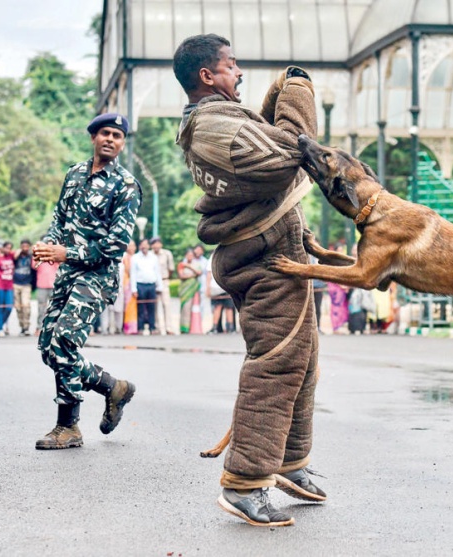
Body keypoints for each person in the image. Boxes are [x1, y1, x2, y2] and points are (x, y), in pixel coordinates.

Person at [175, 33, 328, 527]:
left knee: (301, 362)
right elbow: (286, 157)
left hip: (278, 251)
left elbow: (267, 146)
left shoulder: (225, 119)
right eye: (231, 65)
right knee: (276, 365)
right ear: (207, 76)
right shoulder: (214, 126)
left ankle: (288, 461)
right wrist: (299, 92)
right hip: (264, 259)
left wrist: (278, 92)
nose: (238, 73)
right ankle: (244, 482)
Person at [32, 112, 141, 450]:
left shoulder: (125, 185)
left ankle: (68, 427)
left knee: (64, 343)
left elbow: (114, 246)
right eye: (105, 133)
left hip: (97, 276)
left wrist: (67, 253)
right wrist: (48, 246)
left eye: (117, 136)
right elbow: (60, 218)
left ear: (122, 144)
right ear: (93, 137)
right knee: (49, 349)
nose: (111, 139)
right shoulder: (75, 174)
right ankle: (112, 386)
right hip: (67, 274)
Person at [130, 238, 163, 335]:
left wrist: (159, 286)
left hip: (151, 285)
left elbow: (157, 272)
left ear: (148, 246)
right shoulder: (135, 258)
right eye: (142, 245)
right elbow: (133, 274)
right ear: (140, 246)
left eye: (146, 244)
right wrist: (134, 289)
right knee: (140, 307)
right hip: (140, 285)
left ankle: (152, 327)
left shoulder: (153, 257)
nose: (144, 247)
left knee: (152, 307)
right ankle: (140, 328)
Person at [152, 238, 176, 334]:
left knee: (166, 304)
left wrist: (165, 278)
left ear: (161, 244)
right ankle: (157, 327)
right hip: (153, 283)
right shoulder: (150, 255)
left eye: (158, 243)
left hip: (164, 280)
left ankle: (168, 327)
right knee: (155, 305)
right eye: (154, 244)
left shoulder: (167, 254)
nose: (156, 246)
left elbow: (171, 269)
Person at [177, 248, 204, 334]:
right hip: (185, 290)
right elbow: (181, 276)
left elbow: (199, 273)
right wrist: (193, 275)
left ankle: (194, 328)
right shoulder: (181, 264)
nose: (190, 257)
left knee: (195, 309)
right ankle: (184, 328)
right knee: (185, 308)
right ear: (185, 255)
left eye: (191, 255)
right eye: (188, 255)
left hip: (194, 289)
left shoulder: (196, 264)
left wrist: (189, 267)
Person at [12, 239, 35, 336]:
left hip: (26, 284)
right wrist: (19, 252)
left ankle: (26, 327)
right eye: (23, 246)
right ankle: (21, 326)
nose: (25, 248)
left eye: (27, 246)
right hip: (16, 284)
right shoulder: (17, 255)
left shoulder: (32, 256)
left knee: (26, 305)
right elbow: (13, 258)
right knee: (18, 307)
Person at [34, 256, 59, 335]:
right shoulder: (40, 260)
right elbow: (34, 265)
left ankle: (53, 328)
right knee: (41, 308)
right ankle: (39, 328)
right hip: (42, 286)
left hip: (54, 286)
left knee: (55, 308)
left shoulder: (55, 259)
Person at [121, 240, 138, 335]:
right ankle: (126, 327)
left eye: (133, 245)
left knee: (132, 306)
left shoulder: (136, 257)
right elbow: (128, 271)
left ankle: (133, 327)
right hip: (126, 282)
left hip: (134, 282)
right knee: (126, 305)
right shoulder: (125, 257)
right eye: (130, 246)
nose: (131, 248)